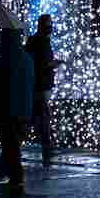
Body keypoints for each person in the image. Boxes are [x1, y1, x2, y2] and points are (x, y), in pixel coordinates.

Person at [0, 26, 35, 193]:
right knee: (13, 141)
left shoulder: (4, 59)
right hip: (24, 107)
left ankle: (16, 174)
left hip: (8, 107)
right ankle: (3, 168)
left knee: (11, 142)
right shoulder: (27, 58)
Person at [25, 14, 58, 161]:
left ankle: (46, 145)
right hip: (41, 85)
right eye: (49, 24)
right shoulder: (41, 42)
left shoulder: (34, 40)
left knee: (38, 116)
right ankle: (47, 146)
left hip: (37, 84)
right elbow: (42, 64)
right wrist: (53, 64)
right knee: (43, 116)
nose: (50, 27)